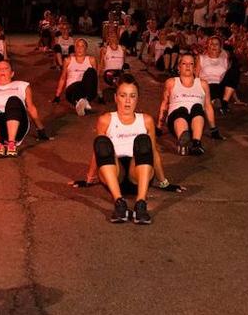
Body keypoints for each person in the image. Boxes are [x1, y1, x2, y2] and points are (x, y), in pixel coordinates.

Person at [76, 74, 181, 224]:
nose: (127, 100)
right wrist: (89, 178)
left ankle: (140, 204)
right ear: (115, 97)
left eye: (132, 96)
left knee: (143, 142)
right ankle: (119, 203)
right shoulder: (106, 120)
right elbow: (97, 152)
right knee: (102, 143)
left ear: (137, 99)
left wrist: (164, 182)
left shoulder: (146, 120)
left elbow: (154, 152)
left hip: (138, 173)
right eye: (123, 95)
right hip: (114, 173)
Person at [0, 59, 49, 157]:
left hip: (17, 126)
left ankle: (12, 144)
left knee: (13, 100)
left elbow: (31, 107)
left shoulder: (22, 86)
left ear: (12, 73)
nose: (2, 71)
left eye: (6, 68)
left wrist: (40, 129)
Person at [159, 51, 220, 156]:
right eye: (184, 63)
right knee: (181, 110)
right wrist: (158, 127)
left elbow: (207, 106)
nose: (188, 66)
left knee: (197, 107)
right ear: (178, 67)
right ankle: (182, 139)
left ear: (195, 67)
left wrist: (213, 129)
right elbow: (165, 104)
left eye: (191, 64)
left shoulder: (203, 84)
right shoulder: (171, 82)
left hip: (196, 123)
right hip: (176, 121)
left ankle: (196, 143)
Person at [55, 37, 98, 116]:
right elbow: (63, 77)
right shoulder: (68, 60)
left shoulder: (91, 60)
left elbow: (95, 78)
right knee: (76, 86)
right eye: (77, 46)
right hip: (72, 90)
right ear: (74, 48)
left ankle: (82, 102)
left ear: (86, 48)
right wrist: (57, 96)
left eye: (82, 46)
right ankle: (82, 102)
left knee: (91, 71)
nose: (79, 48)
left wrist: (100, 94)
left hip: (87, 90)